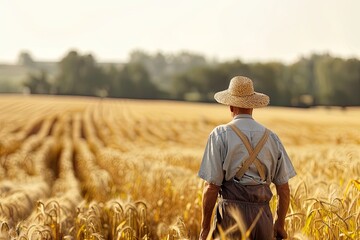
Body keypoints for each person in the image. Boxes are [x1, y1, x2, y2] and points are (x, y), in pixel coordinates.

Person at [198, 76, 296, 240]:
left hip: (230, 219)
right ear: (253, 106)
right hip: (262, 218)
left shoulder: (220, 135)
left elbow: (211, 187)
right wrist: (279, 224)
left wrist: (205, 228)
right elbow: (284, 189)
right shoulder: (272, 137)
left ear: (230, 106)